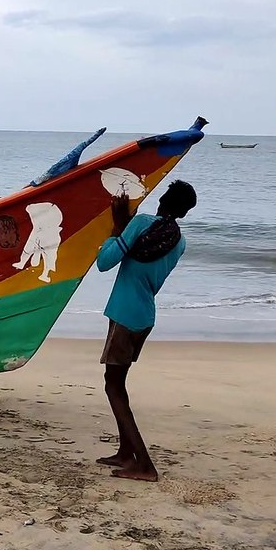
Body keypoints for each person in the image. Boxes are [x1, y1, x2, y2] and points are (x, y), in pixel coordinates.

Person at [94, 180, 197, 482]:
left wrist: (118, 228)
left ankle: (145, 465)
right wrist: (126, 229)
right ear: (185, 213)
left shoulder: (140, 224)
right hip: (144, 316)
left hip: (124, 314)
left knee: (113, 387)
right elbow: (146, 265)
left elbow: (104, 262)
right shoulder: (179, 242)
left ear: (162, 199)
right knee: (118, 383)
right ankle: (126, 452)